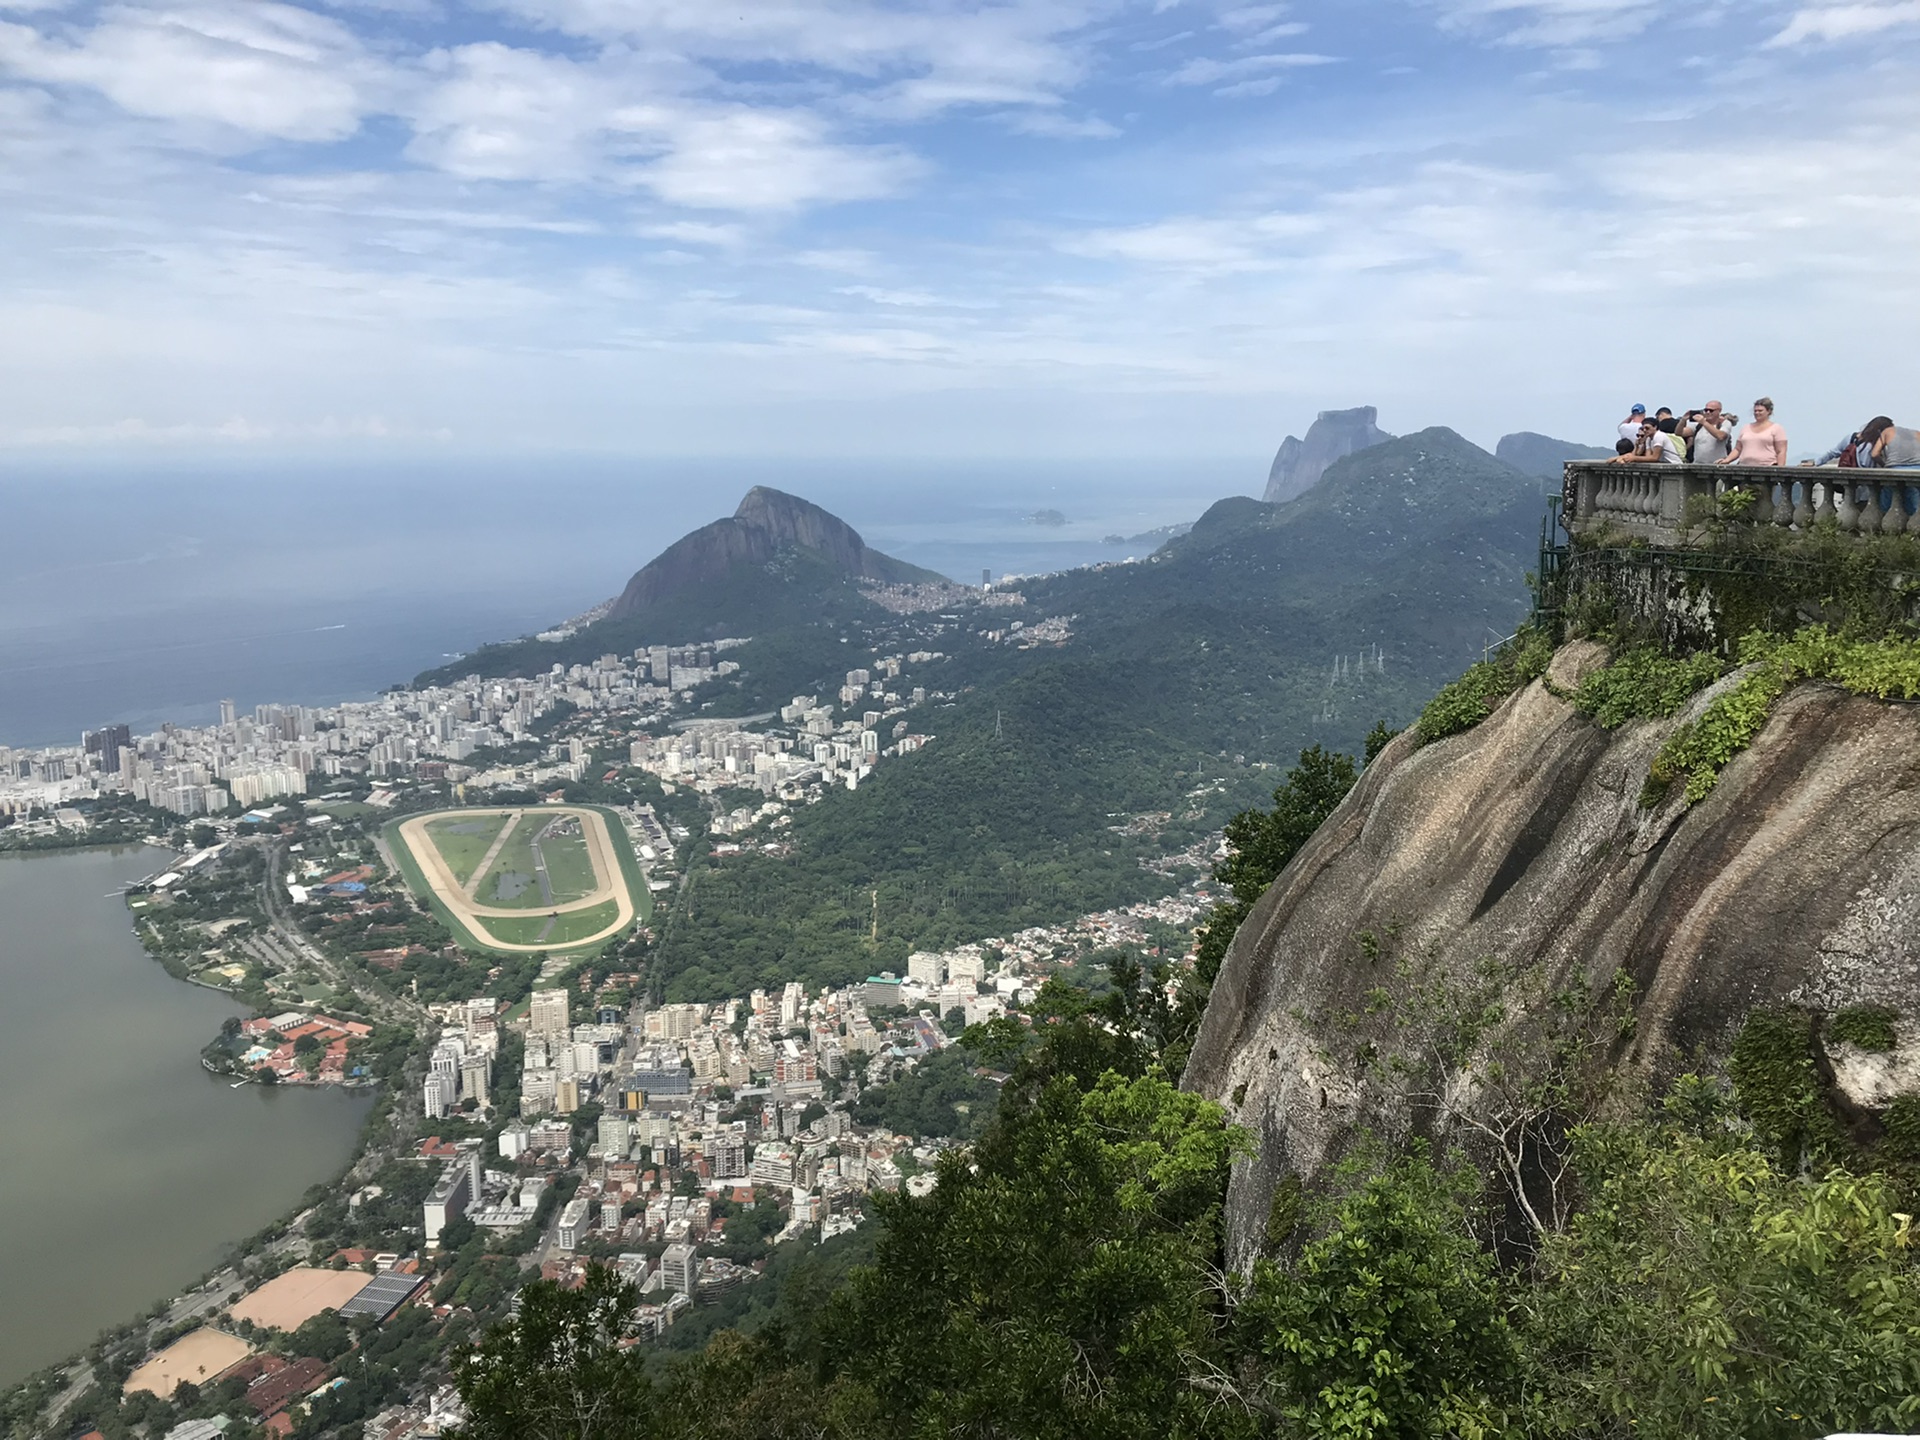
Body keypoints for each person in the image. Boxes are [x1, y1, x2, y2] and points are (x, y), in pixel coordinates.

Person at [1718, 397, 1788, 466]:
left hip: (1767, 466)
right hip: (1744, 466)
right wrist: (1727, 460)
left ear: (1768, 411)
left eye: (1760, 411)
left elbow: (1781, 451)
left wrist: (1780, 469)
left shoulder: (1776, 428)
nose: (1757, 413)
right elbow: (1738, 449)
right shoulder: (1745, 428)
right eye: (1755, 411)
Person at [1612, 416, 1682, 464]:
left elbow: (1655, 458)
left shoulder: (1659, 436)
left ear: (1655, 427)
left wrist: (1634, 458)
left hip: (1673, 464)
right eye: (1643, 428)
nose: (1645, 430)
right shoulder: (1648, 438)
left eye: (1647, 428)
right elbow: (1648, 457)